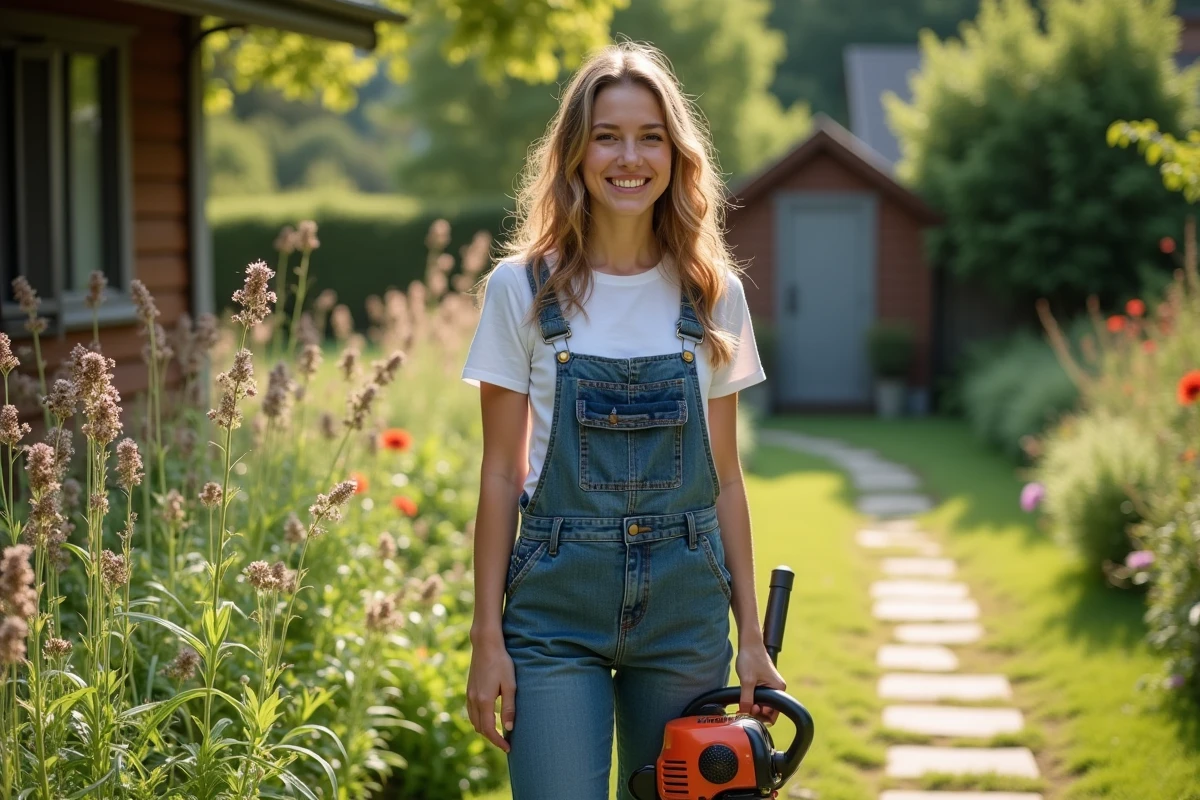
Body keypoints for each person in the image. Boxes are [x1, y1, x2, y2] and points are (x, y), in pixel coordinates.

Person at [461, 40, 786, 800]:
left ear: (676, 154)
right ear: (575, 153)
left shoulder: (712, 294)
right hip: (554, 611)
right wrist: (486, 638)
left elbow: (727, 480)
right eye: (607, 135)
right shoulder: (521, 290)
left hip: (684, 606)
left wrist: (753, 640)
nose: (628, 157)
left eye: (650, 137)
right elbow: (501, 473)